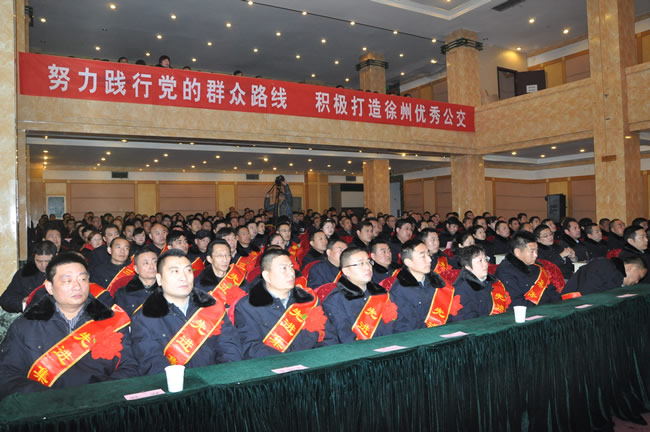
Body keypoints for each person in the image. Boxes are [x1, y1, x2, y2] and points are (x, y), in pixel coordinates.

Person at [0, 253, 138, 399]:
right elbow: (6, 374)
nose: (77, 286)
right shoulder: (25, 325)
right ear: (50, 287)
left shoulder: (110, 321)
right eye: (67, 280)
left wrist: (98, 395)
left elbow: (129, 368)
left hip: (100, 403)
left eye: (83, 279)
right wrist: (48, 397)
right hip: (45, 406)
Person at [130, 249, 241, 375]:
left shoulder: (210, 306)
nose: (184, 277)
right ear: (159, 279)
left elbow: (230, 348)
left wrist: (221, 378)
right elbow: (152, 363)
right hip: (176, 385)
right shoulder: (144, 317)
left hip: (217, 379)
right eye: (175, 271)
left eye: (188, 270)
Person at [233, 248, 336, 359]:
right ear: (267, 276)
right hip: (276, 365)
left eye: (291, 267)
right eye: (283, 268)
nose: (291, 273)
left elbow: (329, 336)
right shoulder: (247, 307)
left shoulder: (307, 299)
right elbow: (252, 348)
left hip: (315, 362)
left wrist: (317, 359)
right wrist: (290, 363)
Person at [322, 248, 396, 343]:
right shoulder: (334, 301)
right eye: (361, 264)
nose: (368, 267)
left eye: (368, 262)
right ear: (346, 271)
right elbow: (345, 338)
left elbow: (395, 326)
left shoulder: (381, 293)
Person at [389, 240, 460, 333]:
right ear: (408, 262)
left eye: (428, 254)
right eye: (423, 256)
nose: (429, 259)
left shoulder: (437, 281)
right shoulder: (399, 290)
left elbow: (453, 316)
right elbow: (405, 327)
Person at [495, 232, 561, 307]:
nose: (536, 255)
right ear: (517, 252)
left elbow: (552, 292)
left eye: (536, 250)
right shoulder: (505, 271)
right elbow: (517, 303)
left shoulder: (536, 267)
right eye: (532, 251)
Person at [452, 245, 510, 321]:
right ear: (468, 266)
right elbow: (471, 321)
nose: (485, 264)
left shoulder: (492, 282)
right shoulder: (462, 290)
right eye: (480, 261)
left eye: (485, 259)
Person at [0, 241, 57, 313]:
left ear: (56, 257)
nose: (43, 265)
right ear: (34, 257)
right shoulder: (24, 273)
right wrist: (24, 303)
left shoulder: (65, 273)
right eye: (39, 261)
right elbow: (5, 299)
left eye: (47, 261)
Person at [564, 256, 647, 296]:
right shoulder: (603, 266)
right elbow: (588, 294)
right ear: (631, 267)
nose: (637, 281)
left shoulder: (616, 275)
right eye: (639, 276)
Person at [113, 249, 159, 316]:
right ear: (136, 269)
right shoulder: (123, 293)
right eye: (146, 263)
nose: (151, 266)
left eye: (155, 262)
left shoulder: (169, 290)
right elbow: (120, 320)